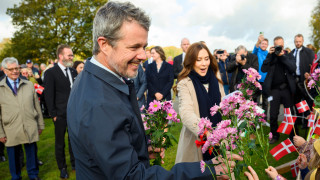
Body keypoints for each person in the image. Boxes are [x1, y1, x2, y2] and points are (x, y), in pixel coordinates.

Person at [67, 2, 241, 179]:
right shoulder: (99, 101)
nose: (143, 55)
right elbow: (132, 176)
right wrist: (207, 169)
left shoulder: (96, 79)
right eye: (134, 47)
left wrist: (139, 148)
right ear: (104, 44)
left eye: (144, 47)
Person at [175, 42, 225, 163]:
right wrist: (206, 132)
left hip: (221, 138)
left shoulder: (216, 79)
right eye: (199, 60)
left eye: (206, 59)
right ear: (191, 62)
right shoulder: (184, 83)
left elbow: (224, 105)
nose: (204, 63)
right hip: (196, 141)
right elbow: (186, 113)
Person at [0, 57, 44, 180]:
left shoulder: (29, 84)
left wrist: (40, 124)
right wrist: (0, 132)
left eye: (17, 68)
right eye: (11, 69)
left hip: (29, 124)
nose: (15, 71)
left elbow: (37, 106)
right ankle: (16, 176)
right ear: (4, 71)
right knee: (13, 156)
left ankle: (33, 175)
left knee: (31, 153)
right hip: (10, 128)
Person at [44, 44, 77, 179]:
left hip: (74, 113)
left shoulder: (73, 72)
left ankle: (75, 164)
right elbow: (48, 95)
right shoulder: (51, 73)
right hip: (60, 115)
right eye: (69, 55)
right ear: (60, 56)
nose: (72, 57)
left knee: (73, 140)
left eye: (72, 55)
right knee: (60, 143)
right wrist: (53, 114)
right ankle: (62, 167)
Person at [261, 36, 296, 144]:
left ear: (283, 45)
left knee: (289, 113)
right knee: (273, 114)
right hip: (274, 90)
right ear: (273, 45)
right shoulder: (271, 55)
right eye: (277, 46)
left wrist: (282, 56)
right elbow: (263, 69)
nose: (279, 47)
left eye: (280, 46)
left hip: (286, 88)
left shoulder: (288, 55)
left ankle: (293, 135)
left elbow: (292, 68)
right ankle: (274, 135)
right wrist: (269, 55)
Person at [289, 34, 315, 129]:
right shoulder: (291, 53)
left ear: (303, 41)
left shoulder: (309, 52)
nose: (298, 43)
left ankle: (306, 122)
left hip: (305, 81)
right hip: (294, 80)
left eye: (299, 41)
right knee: (297, 102)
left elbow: (313, 65)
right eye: (296, 41)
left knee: (307, 102)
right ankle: (299, 119)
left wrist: (310, 75)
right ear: (294, 41)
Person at [252, 34, 269, 119]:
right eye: (262, 43)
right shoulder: (257, 51)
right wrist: (258, 41)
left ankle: (264, 119)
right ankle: (256, 118)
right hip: (257, 80)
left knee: (265, 101)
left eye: (265, 44)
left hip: (266, 81)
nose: (264, 45)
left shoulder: (268, 54)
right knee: (257, 101)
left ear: (267, 45)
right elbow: (254, 51)